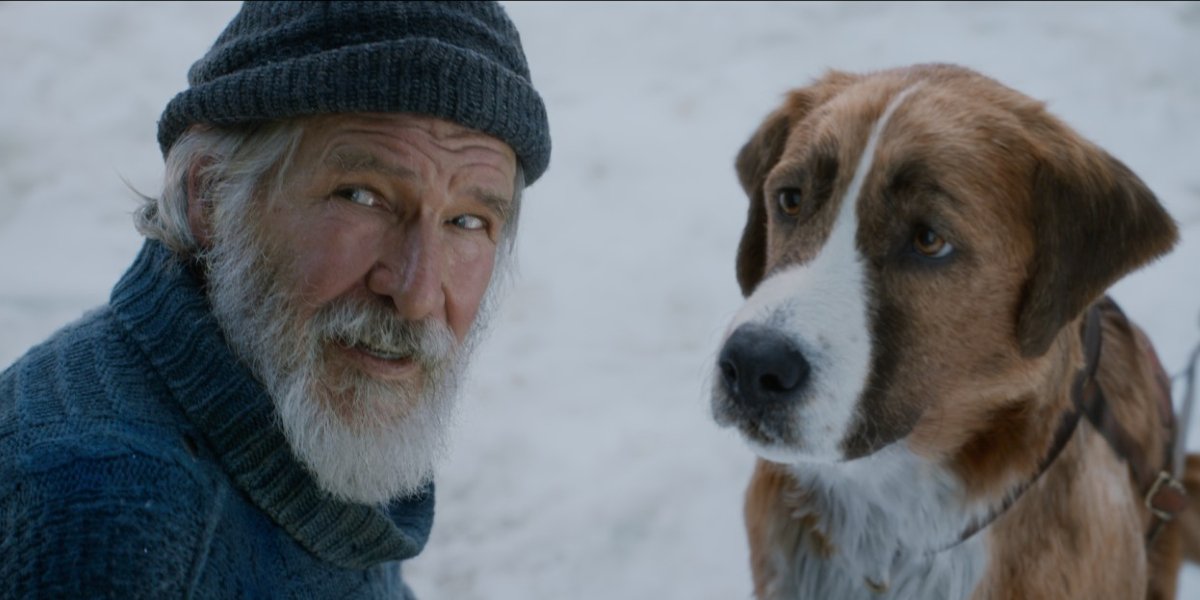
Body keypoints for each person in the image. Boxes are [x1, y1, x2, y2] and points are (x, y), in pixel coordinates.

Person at [0, 1, 550, 597]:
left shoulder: (306, 415)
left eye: (467, 222)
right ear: (211, 194)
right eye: (362, 196)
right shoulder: (110, 510)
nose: (416, 294)